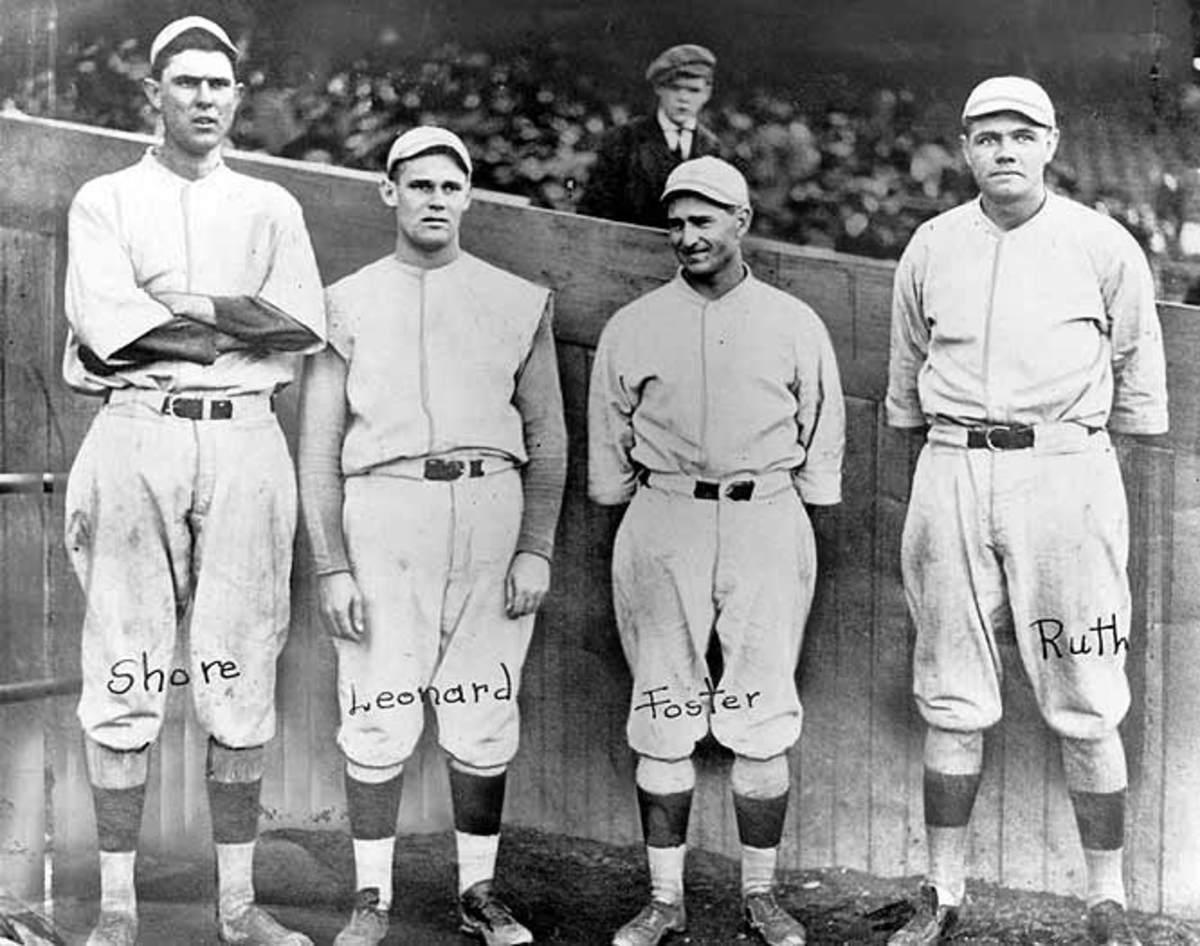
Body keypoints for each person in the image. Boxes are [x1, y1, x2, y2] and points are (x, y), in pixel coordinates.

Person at [61, 15, 326, 946]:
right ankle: (118, 911)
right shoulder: (105, 199)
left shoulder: (271, 205)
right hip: (139, 432)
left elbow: (299, 326)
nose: (205, 98)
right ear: (154, 94)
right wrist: (235, 325)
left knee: (241, 665)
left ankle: (237, 909)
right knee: (124, 660)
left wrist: (191, 307)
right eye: (187, 82)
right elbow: (108, 335)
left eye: (219, 84)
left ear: (237, 97)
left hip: (248, 440)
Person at [885, 76, 1168, 946]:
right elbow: (905, 386)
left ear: (1051, 144)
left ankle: (1107, 900)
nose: (1003, 150)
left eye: (1020, 135)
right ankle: (943, 890)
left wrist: (1080, 481)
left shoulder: (1102, 244)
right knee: (951, 690)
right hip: (953, 464)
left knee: (1086, 691)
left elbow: (1138, 391)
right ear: (965, 149)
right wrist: (950, 470)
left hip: (1065, 471)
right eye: (986, 136)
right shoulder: (932, 244)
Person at [297, 126, 567, 946]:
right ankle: (371, 897)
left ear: (469, 198)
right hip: (386, 509)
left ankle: (478, 893)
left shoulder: (515, 298)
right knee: (377, 702)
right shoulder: (345, 301)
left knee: (482, 704)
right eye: (420, 185)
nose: (436, 200)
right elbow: (317, 446)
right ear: (390, 193)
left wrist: (536, 546)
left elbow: (549, 436)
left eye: (451, 187)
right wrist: (332, 566)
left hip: (490, 507)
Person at [588, 156, 845, 946]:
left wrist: (793, 506)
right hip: (666, 515)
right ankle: (664, 901)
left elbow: (821, 433)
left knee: (761, 707)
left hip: (766, 513)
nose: (687, 236)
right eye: (675, 223)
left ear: (742, 223)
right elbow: (609, 451)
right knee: (662, 706)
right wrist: (640, 505)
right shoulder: (635, 324)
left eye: (703, 220)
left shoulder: (793, 322)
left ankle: (760, 895)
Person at [578, 44, 723, 228]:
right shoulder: (624, 138)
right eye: (675, 88)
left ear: (707, 93)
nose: (684, 98)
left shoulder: (710, 147)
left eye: (694, 90)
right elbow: (593, 211)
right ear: (659, 88)